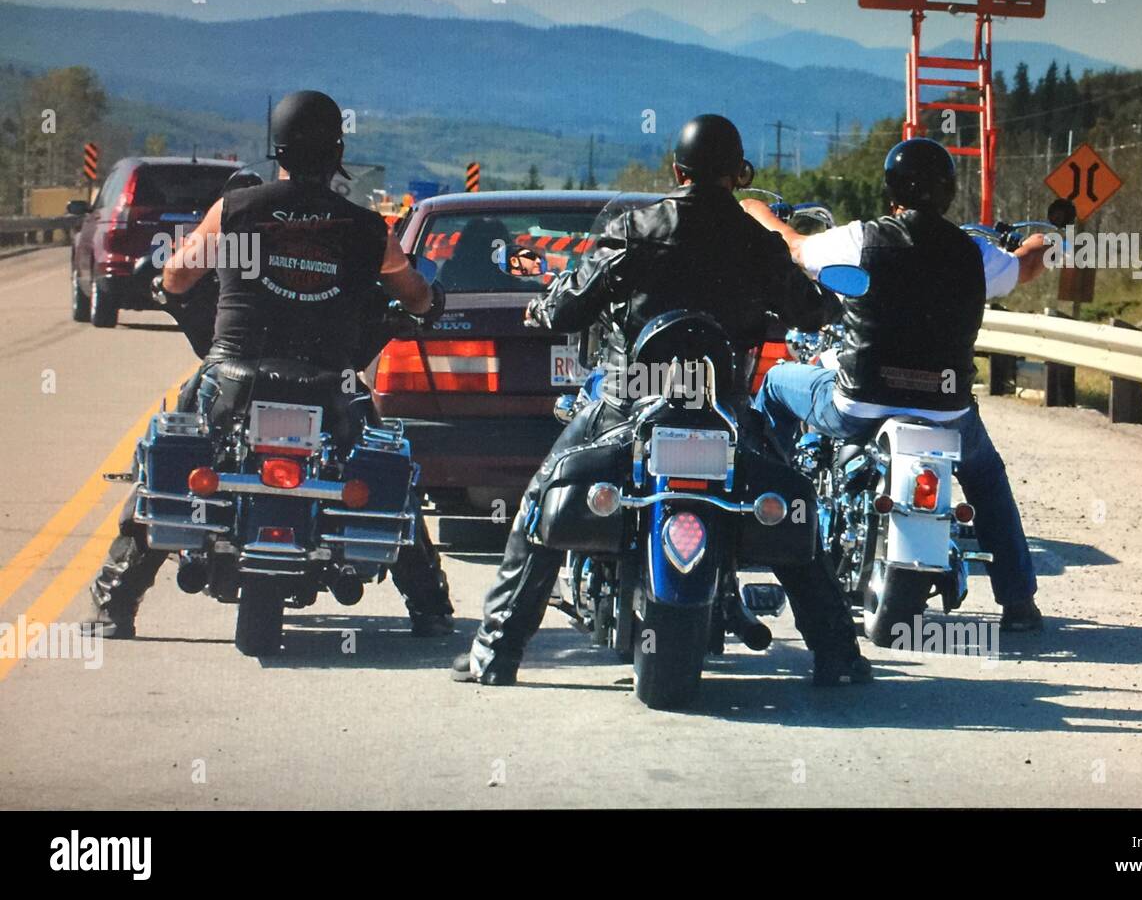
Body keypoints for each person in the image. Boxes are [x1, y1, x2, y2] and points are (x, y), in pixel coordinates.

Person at [451, 113, 872, 686]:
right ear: (737, 173)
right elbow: (810, 310)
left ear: (677, 170)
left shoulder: (635, 227)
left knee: (542, 499)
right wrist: (823, 297)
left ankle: (495, 653)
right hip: (723, 407)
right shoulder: (758, 241)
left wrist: (545, 307)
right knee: (792, 501)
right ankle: (839, 658)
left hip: (629, 401)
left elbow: (573, 302)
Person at [82, 90, 455, 640]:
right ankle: (429, 606)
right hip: (329, 383)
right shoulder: (365, 226)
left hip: (234, 375)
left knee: (168, 455)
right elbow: (416, 295)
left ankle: (116, 602)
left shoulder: (235, 209)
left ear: (275, 147)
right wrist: (423, 303)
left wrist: (167, 282)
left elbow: (178, 276)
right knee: (383, 468)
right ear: (337, 151)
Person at [742, 137, 1043, 632]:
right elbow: (1026, 267)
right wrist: (1038, 244)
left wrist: (759, 212)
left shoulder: (861, 240)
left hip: (860, 403)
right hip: (946, 409)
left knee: (775, 382)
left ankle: (764, 514)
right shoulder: (974, 254)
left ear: (891, 192)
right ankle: (1019, 603)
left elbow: (794, 248)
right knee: (986, 478)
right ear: (948, 193)